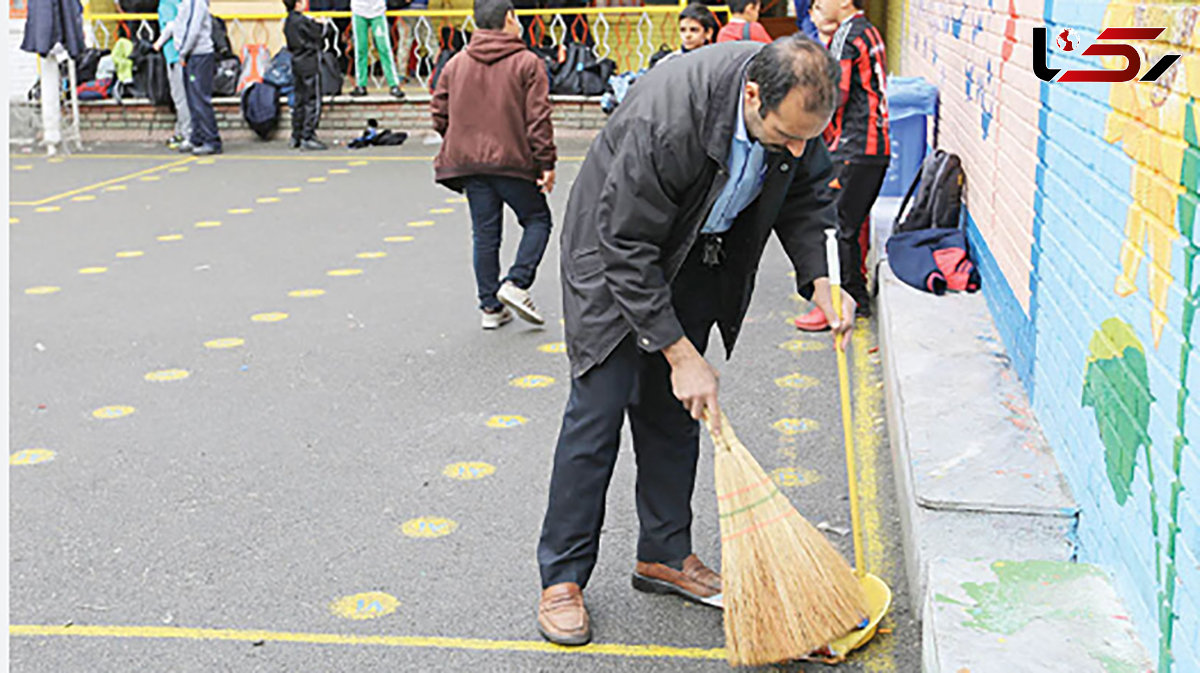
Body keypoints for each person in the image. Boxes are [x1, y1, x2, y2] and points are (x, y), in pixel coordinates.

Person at [534, 36, 856, 646]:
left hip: (692, 257)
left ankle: (663, 554)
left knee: (673, 414)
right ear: (753, 94)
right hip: (613, 257)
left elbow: (808, 196)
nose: (794, 149)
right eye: (784, 136)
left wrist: (819, 279)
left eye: (805, 139)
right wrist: (681, 354)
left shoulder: (796, 119)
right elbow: (625, 247)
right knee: (598, 414)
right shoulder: (670, 116)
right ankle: (563, 578)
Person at [430, 0, 556, 330]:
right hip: (513, 160)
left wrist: (460, 137)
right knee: (538, 219)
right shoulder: (528, 62)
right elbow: (538, 118)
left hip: (468, 163)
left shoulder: (456, 63)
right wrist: (546, 162)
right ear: (509, 19)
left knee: (485, 234)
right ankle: (516, 282)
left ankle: (489, 307)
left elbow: (438, 112)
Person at [794, 0, 888, 330]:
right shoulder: (867, 31)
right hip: (872, 147)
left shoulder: (847, 36)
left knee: (835, 228)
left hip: (853, 147)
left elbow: (834, 96)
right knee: (852, 225)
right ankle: (855, 295)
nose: (815, 6)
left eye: (821, 2)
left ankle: (840, 304)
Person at [158, 0, 222, 155]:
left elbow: (192, 30)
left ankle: (211, 140)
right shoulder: (186, 3)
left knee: (200, 99)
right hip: (192, 55)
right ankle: (197, 136)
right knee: (192, 99)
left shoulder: (196, 2)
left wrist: (183, 51)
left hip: (198, 55)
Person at [283, 0, 328, 150]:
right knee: (312, 99)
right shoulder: (302, 21)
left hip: (296, 61)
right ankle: (308, 136)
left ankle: (296, 135)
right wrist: (321, 23)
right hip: (308, 61)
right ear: (297, 3)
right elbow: (319, 33)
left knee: (299, 100)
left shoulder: (288, 21)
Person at [348, 0, 405, 98]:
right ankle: (361, 84)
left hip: (378, 11)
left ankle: (393, 84)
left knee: (384, 49)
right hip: (358, 10)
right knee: (360, 50)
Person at [157, 0, 193, 151]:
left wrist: (157, 44)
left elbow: (170, 26)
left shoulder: (166, 4)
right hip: (184, 54)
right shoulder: (182, 2)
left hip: (174, 54)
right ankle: (180, 131)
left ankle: (187, 134)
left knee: (180, 98)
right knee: (184, 96)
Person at [653, 3, 718, 68]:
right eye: (683, 30)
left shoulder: (715, 61)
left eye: (694, 30)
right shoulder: (668, 62)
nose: (687, 35)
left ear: (708, 33)